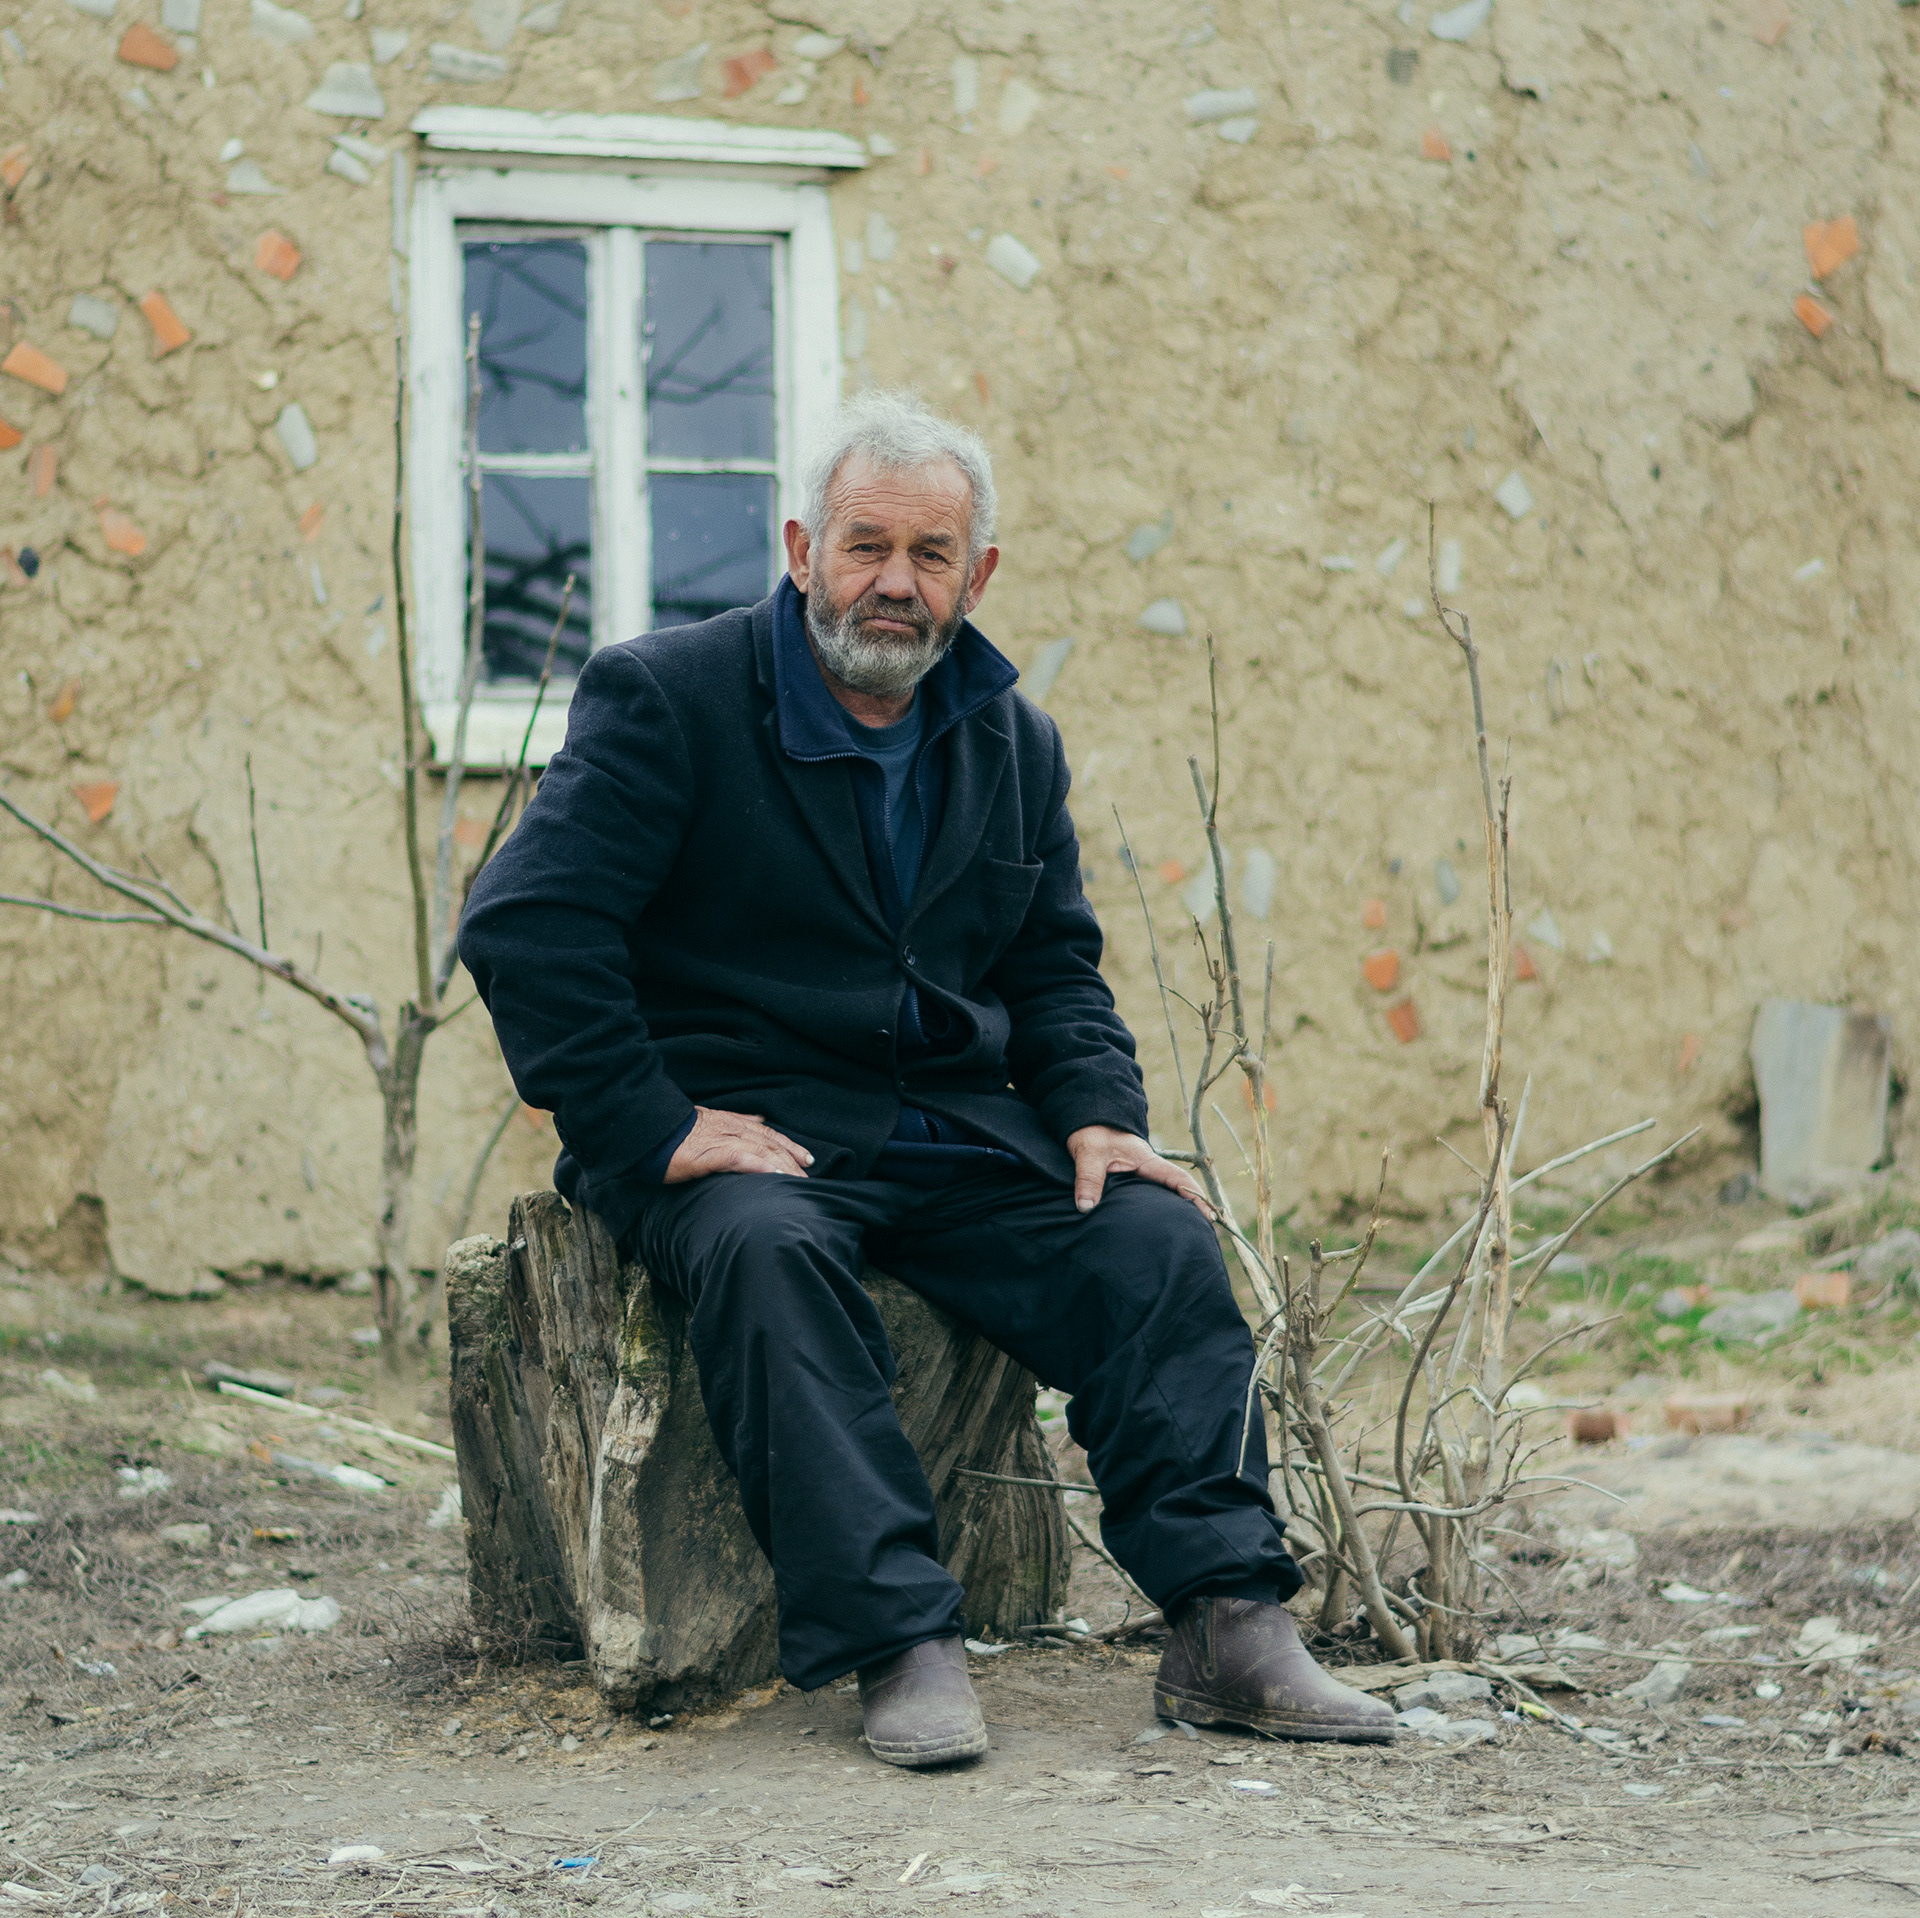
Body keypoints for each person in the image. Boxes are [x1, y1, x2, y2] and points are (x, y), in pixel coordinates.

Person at [459, 391, 1393, 1766]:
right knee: (773, 1257)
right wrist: (650, 1126)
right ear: (800, 549)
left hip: (947, 1132)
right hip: (741, 1133)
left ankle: (1226, 1626)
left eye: (931, 554)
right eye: (865, 545)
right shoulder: (669, 697)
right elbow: (527, 925)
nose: (894, 582)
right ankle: (901, 1640)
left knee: (1151, 1240)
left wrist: (1095, 1114)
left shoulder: (1011, 739)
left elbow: (1055, 966)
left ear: (979, 574)